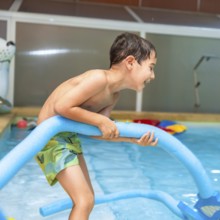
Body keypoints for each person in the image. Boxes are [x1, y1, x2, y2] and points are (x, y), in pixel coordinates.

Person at [35, 32, 158, 220]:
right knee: (83, 201)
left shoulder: (113, 95)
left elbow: (97, 132)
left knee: (88, 200)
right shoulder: (98, 78)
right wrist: (101, 120)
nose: (153, 75)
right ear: (131, 62)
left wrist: (131, 139)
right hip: (49, 137)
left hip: (67, 138)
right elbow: (62, 106)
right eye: (151, 67)